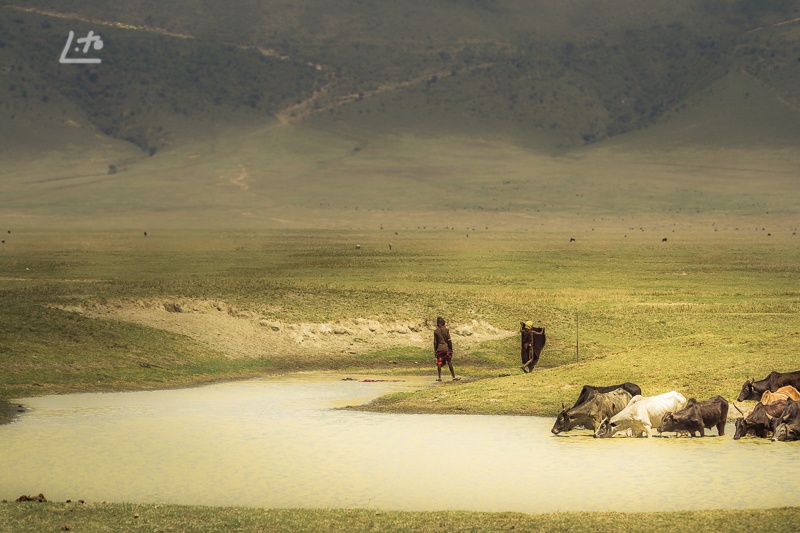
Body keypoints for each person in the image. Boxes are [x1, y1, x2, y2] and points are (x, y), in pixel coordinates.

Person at [434, 316, 459, 381]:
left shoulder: (436, 331)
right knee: (449, 362)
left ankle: (439, 377)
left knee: (439, 362)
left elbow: (435, 342)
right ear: (443, 323)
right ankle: (453, 377)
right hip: (446, 348)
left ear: (437, 324)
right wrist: (451, 348)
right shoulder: (446, 330)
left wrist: (435, 351)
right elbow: (449, 340)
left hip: (439, 349)